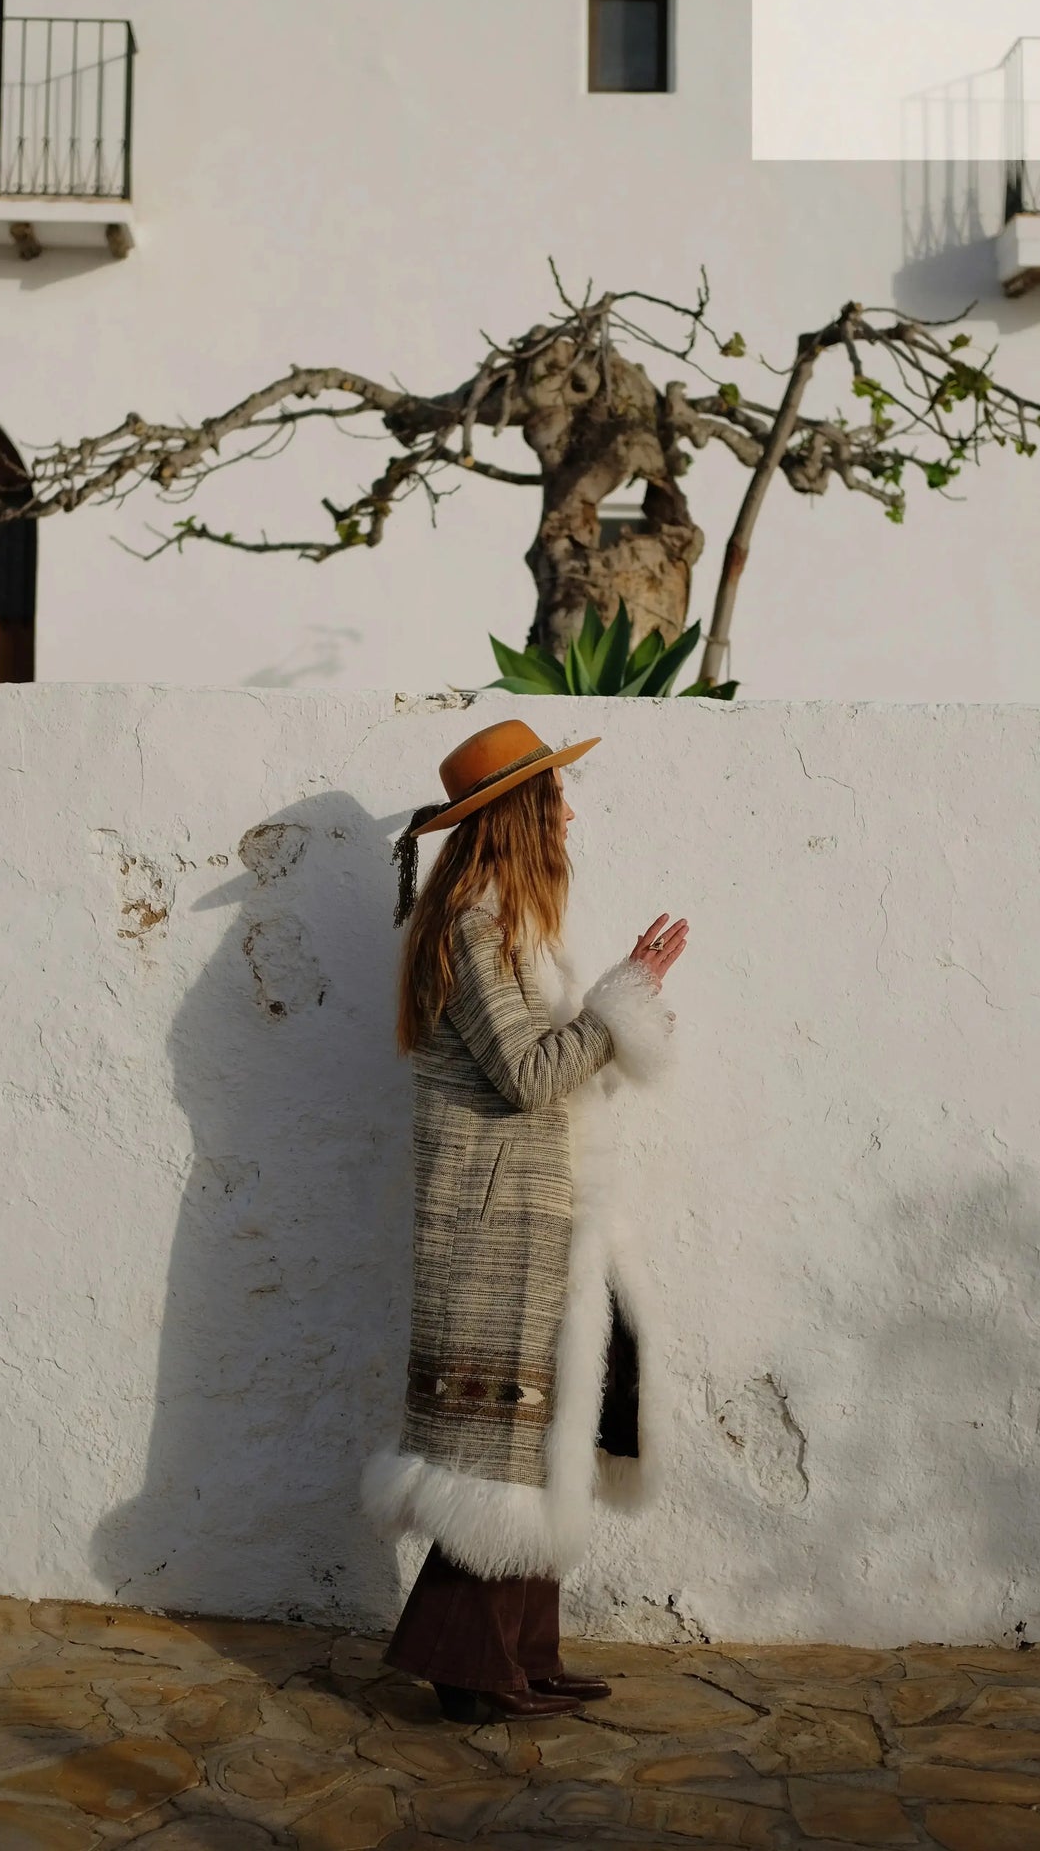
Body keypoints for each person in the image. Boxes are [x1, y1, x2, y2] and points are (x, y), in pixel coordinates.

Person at [363, 717, 687, 1723]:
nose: (568, 814)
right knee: (494, 1452)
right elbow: (529, 1074)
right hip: (491, 1226)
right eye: (553, 797)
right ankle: (465, 1665)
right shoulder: (474, 925)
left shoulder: (506, 924)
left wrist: (619, 1002)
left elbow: (550, 1069)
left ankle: (523, 1652)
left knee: (546, 1427)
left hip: (535, 1216)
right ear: (516, 814)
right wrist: (617, 1004)